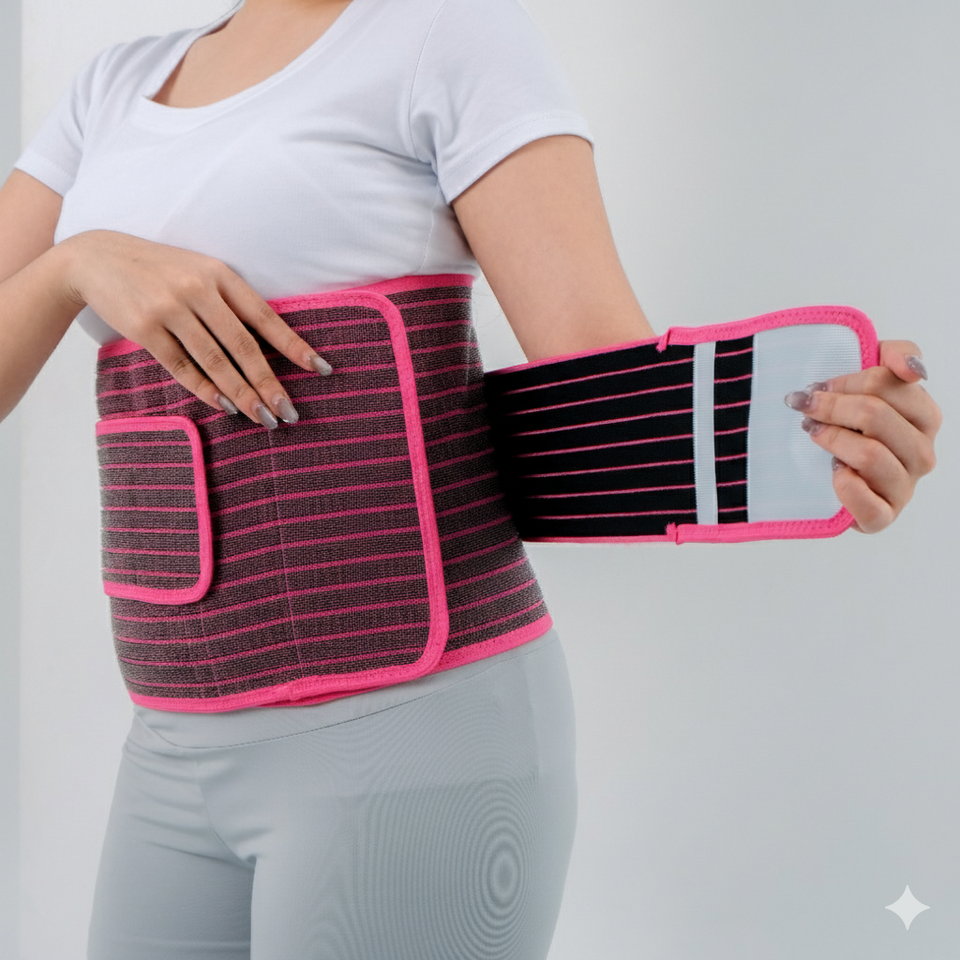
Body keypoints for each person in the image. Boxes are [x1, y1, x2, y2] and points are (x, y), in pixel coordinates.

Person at [0, 0, 941, 957]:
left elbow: (603, 380)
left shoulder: (446, 35)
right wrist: (74, 266)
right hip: (167, 746)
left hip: (413, 739)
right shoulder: (110, 88)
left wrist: (822, 422)